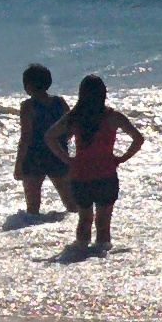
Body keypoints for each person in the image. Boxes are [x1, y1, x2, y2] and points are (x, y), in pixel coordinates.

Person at [44, 73, 144, 255]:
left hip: (81, 174)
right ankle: (101, 261)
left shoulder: (74, 116)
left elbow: (50, 136)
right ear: (103, 93)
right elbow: (138, 138)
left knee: (84, 219)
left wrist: (67, 159)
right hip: (106, 173)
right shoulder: (113, 116)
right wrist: (122, 158)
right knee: (104, 222)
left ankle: (79, 257)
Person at [14, 64, 71, 217]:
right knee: (72, 204)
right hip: (58, 154)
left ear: (29, 86)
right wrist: (63, 142)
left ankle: (33, 231)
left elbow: (26, 137)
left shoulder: (27, 106)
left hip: (34, 156)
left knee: (32, 209)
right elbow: (72, 126)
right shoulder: (60, 102)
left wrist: (18, 164)